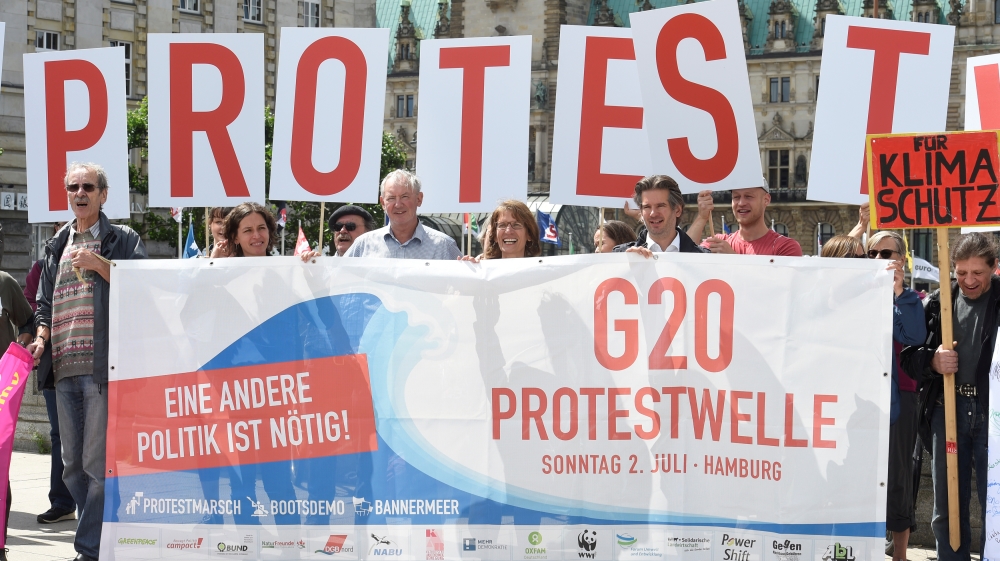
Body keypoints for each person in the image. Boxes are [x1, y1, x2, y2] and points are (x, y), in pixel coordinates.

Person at [27, 162, 146, 561]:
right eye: (73, 187)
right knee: (71, 469)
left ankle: (89, 549)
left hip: (101, 367)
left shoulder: (121, 238)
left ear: (103, 195)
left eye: (88, 187)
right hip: (61, 367)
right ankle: (98, 528)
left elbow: (144, 288)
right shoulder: (56, 243)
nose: (80, 193)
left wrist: (102, 266)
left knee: (96, 467)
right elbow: (43, 305)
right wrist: (42, 339)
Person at [901, 232, 1000, 561]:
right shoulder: (938, 301)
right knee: (946, 508)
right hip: (948, 411)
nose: (969, 281)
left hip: (993, 416)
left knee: (995, 509)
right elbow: (909, 357)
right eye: (961, 273)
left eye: (978, 273)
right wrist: (932, 360)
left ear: (994, 267)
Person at [865, 231, 926, 561]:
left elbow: (914, 336)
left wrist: (898, 292)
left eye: (885, 252)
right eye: (871, 253)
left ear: (900, 259)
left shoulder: (911, 299)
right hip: (863, 398)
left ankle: (900, 555)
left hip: (899, 398)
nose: (877, 259)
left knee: (898, 476)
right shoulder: (858, 295)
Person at [24, 224, 77, 526]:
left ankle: (99, 505)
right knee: (59, 435)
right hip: (54, 362)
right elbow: (33, 306)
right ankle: (62, 501)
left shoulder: (105, 252)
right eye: (59, 226)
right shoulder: (42, 267)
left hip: (93, 360)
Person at [345, 170, 461, 260]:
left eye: (405, 197)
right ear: (382, 203)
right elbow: (338, 279)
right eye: (391, 198)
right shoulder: (363, 245)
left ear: (419, 199)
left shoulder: (444, 246)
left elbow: (465, 286)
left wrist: (474, 267)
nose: (398, 204)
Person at [689, 179, 803, 256]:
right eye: (736, 197)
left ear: (766, 200)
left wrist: (733, 260)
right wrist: (702, 217)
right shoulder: (719, 242)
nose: (741, 203)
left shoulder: (785, 247)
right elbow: (682, 259)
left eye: (749, 196)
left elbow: (779, 289)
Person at [612, 175, 707, 256]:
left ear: (677, 210)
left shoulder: (704, 258)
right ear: (641, 211)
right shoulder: (621, 255)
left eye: (660, 206)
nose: (653, 213)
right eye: (647, 207)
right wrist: (627, 267)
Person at [469, 200, 541, 260]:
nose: (508, 231)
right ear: (495, 236)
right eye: (502, 225)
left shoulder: (543, 273)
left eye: (516, 225)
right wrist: (468, 269)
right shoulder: (482, 271)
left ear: (529, 234)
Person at [299, 205, 376, 261]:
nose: (342, 230)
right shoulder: (323, 269)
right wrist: (311, 269)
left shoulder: (377, 266)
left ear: (368, 232)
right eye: (338, 226)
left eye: (350, 226)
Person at [210, 202, 277, 258]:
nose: (257, 236)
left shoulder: (284, 269)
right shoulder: (228, 271)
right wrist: (214, 265)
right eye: (248, 230)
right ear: (235, 237)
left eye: (261, 228)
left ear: (269, 230)